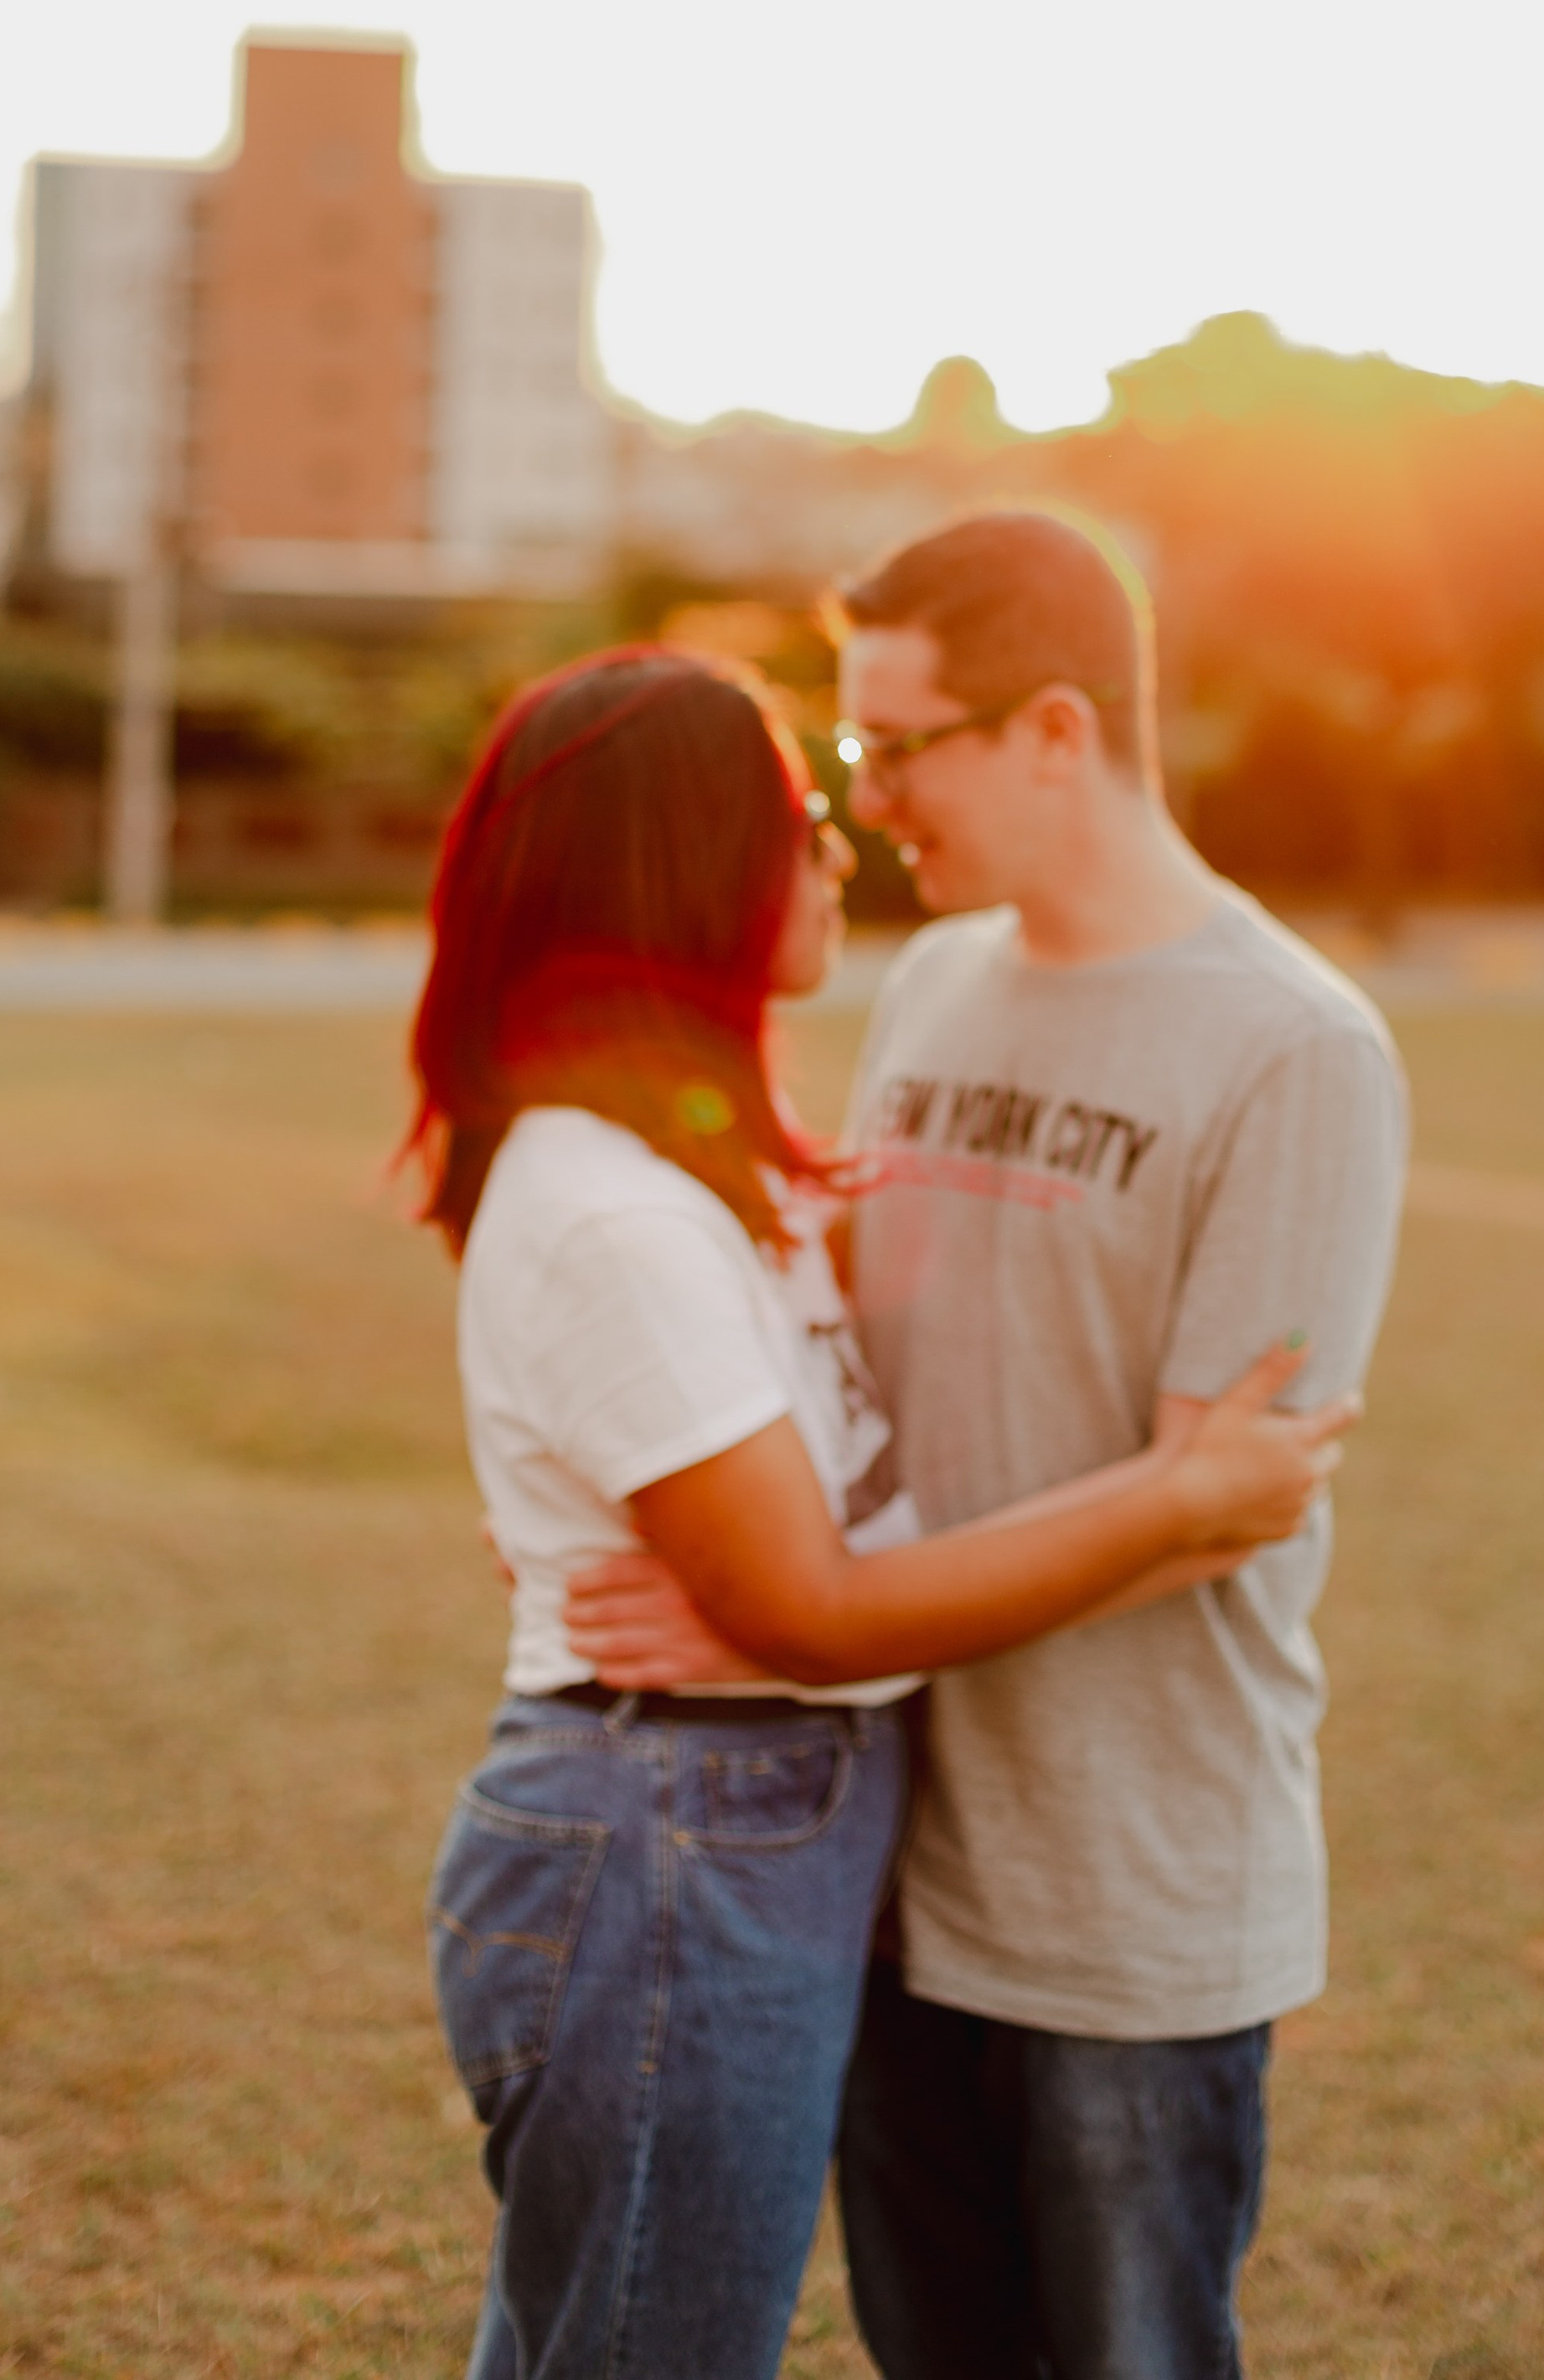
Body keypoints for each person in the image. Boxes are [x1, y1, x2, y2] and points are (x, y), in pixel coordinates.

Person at [410, 642, 1354, 2380]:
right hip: (675, 1844)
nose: (840, 841)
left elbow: (791, 1523)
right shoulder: (615, 1206)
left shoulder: (701, 1166)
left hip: (734, 1825)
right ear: (684, 868)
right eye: (797, 817)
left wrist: (760, 1598)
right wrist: (1178, 1494)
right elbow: (812, 1606)